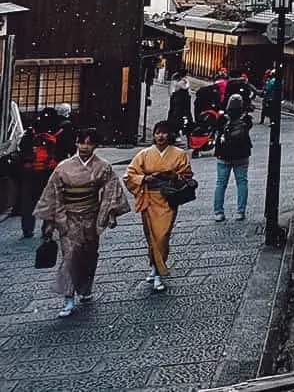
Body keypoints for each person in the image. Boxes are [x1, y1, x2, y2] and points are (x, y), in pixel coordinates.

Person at [34, 127, 130, 318]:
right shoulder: (63, 167)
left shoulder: (103, 166)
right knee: (70, 257)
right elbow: (52, 194)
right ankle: (68, 298)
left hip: (91, 216)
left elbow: (111, 190)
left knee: (89, 254)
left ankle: (85, 288)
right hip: (68, 217)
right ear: (76, 143)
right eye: (82, 142)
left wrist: (109, 212)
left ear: (95, 145)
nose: (85, 146)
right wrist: (51, 221)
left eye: (90, 143)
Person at [124, 120, 192, 292]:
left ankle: (158, 271)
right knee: (151, 235)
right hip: (149, 197)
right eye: (157, 133)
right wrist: (144, 179)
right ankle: (155, 268)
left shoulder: (179, 153)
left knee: (162, 235)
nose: (160, 136)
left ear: (170, 135)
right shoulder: (144, 154)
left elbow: (186, 174)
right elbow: (129, 175)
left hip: (167, 198)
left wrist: (173, 176)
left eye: (164, 133)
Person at [16, 107, 75, 238]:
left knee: (29, 201)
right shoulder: (60, 131)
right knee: (51, 200)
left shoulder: (32, 131)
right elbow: (70, 149)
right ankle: (47, 228)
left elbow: (22, 147)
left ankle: (27, 229)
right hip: (51, 171)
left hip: (32, 171)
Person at [213, 94, 252, 222]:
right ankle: (240, 212)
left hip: (224, 154)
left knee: (220, 183)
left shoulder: (222, 119)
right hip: (241, 154)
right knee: (242, 182)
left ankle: (218, 212)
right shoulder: (246, 120)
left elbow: (217, 130)